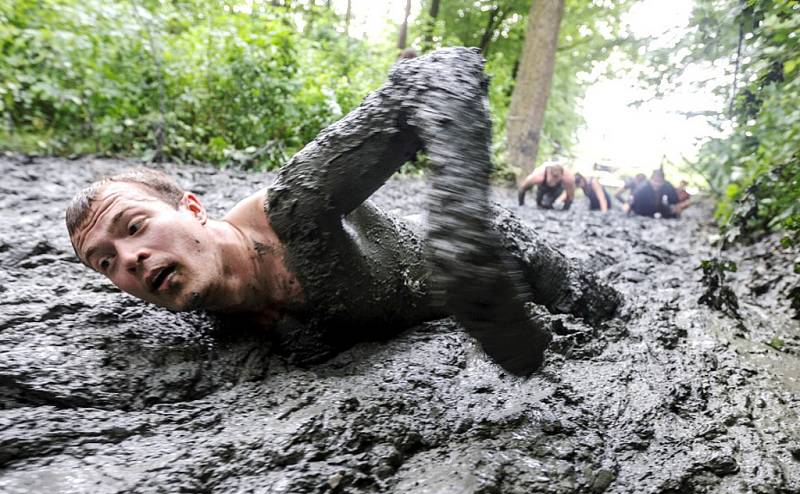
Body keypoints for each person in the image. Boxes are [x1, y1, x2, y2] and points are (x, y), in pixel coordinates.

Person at [66, 48, 619, 375]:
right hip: (411, 326)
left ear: (192, 208)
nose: (130, 260)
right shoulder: (209, 310)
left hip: (501, 262)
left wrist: (460, 223)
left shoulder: (291, 213)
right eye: (104, 263)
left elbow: (440, 72)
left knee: (606, 319)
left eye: (134, 227)